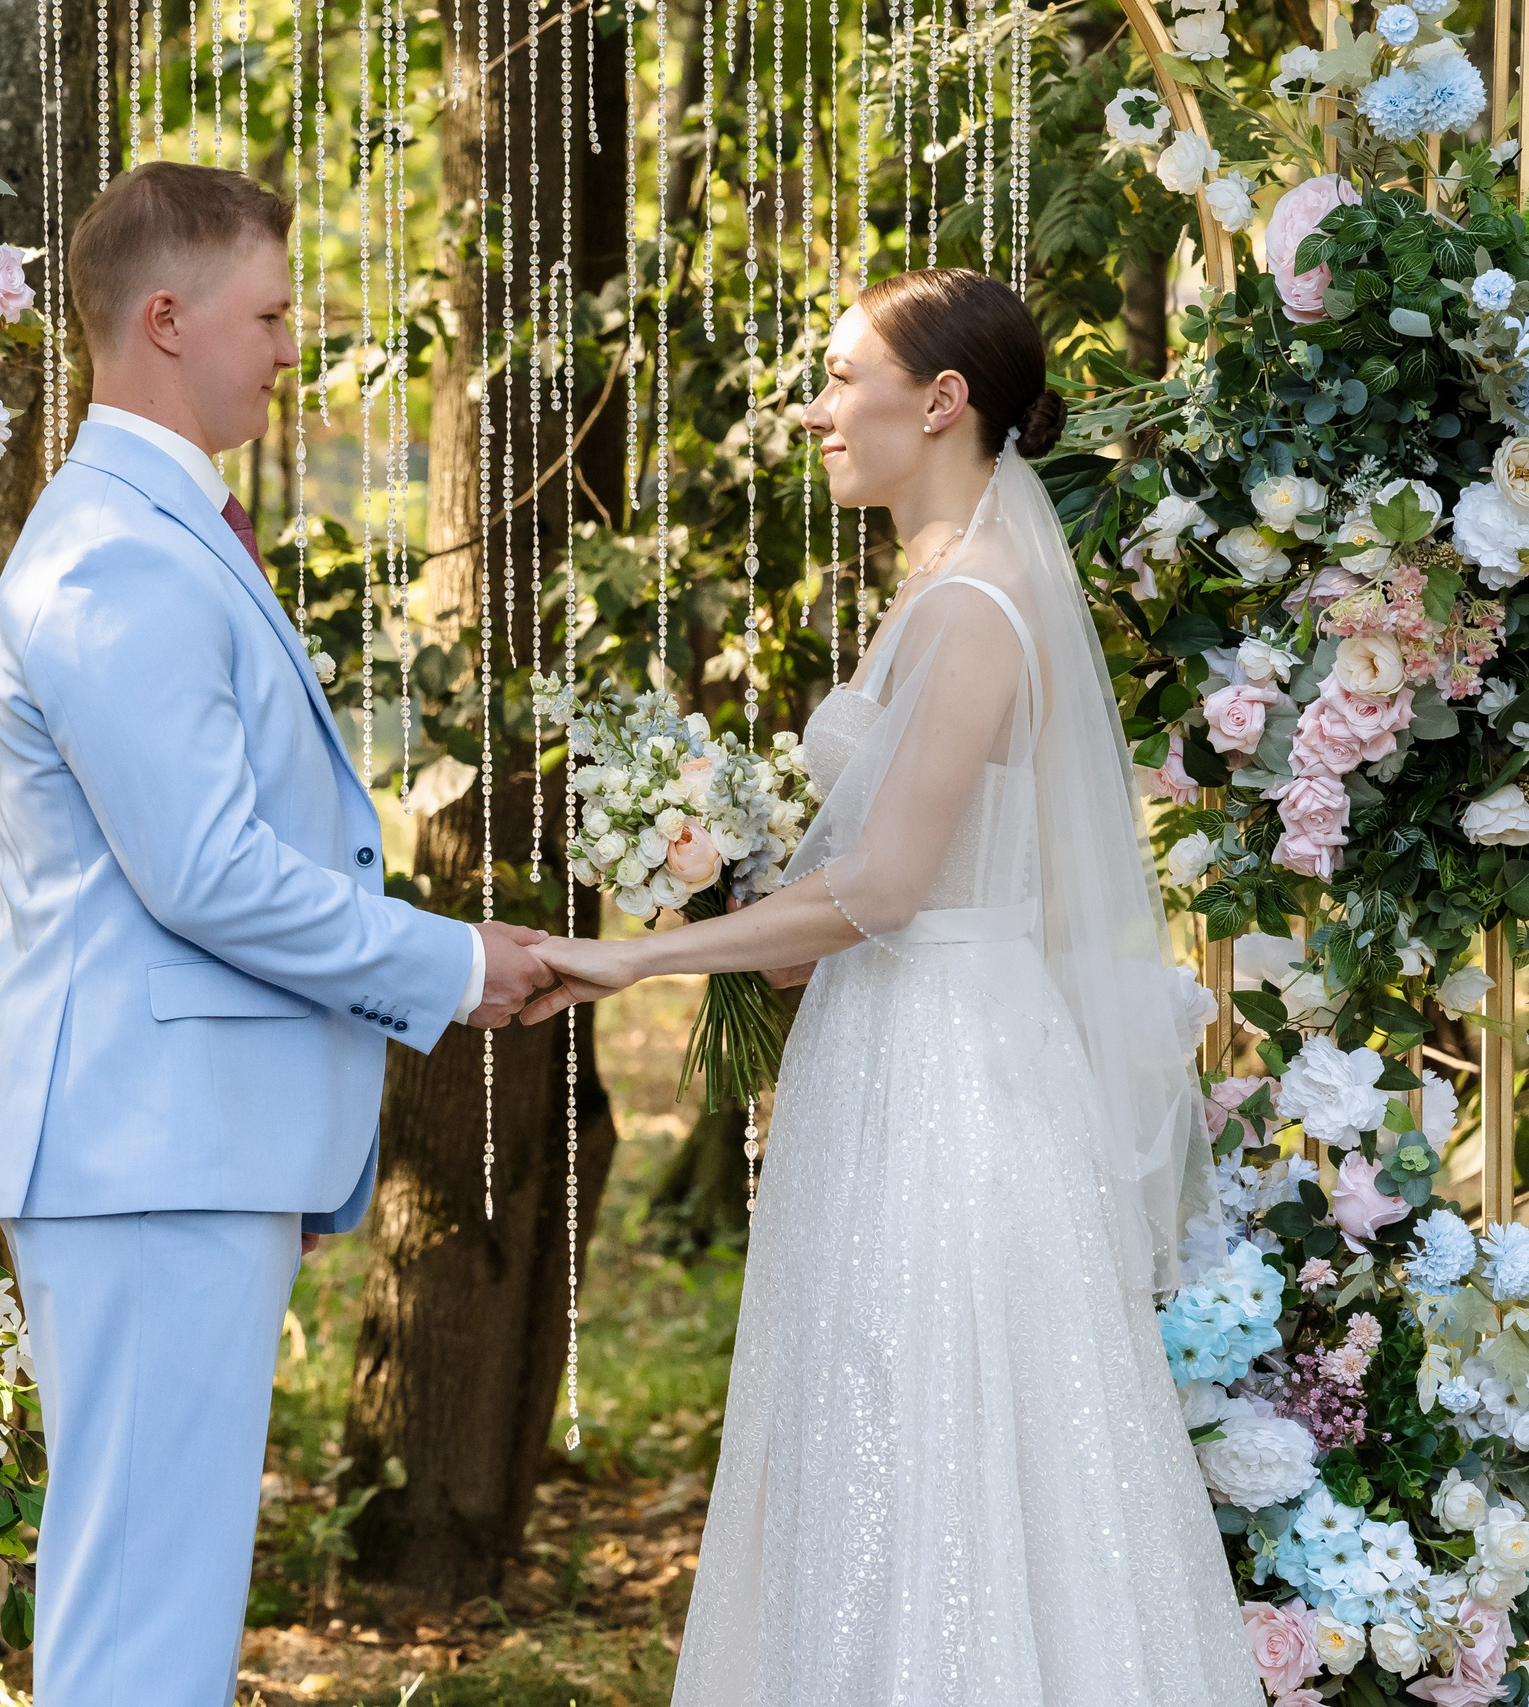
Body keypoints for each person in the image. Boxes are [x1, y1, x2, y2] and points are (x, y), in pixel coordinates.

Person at [521, 268, 1261, 1705]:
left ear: (941, 402)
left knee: (934, 1425)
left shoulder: (975, 609)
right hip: (896, 1053)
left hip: (950, 1087)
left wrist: (632, 958)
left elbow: (885, 891)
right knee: (869, 1423)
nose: (814, 411)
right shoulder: (939, 592)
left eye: (842, 378)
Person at [0, 161, 552, 1707]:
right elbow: (209, 872)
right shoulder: (113, 551)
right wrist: (447, 959)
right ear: (166, 318)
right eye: (273, 314)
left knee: (156, 1588)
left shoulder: (164, 529)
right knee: (142, 1612)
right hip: (142, 1145)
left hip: (177, 1140)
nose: (294, 349)